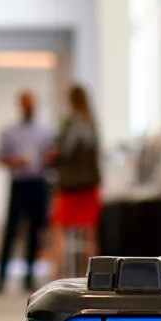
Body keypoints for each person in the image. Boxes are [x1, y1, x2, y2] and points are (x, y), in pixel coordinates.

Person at [0, 89, 56, 294]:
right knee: (11, 231)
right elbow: (0, 158)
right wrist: (16, 162)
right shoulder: (9, 131)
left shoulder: (45, 131)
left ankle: (29, 276)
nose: (30, 107)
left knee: (35, 232)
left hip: (39, 184)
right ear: (20, 105)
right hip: (19, 184)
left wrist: (49, 158)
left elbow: (53, 156)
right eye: (26, 104)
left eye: (33, 104)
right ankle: (1, 278)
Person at [51, 84, 102, 278]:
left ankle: (57, 276)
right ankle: (91, 275)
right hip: (89, 187)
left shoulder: (71, 124)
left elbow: (65, 151)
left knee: (59, 232)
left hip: (69, 187)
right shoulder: (92, 124)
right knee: (90, 235)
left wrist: (53, 157)